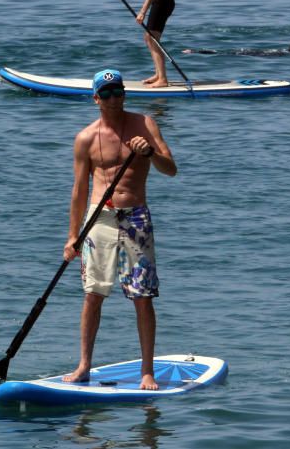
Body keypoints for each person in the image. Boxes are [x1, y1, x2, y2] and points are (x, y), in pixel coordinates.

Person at [62, 69, 177, 390]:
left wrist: (151, 153)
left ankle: (147, 372)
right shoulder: (86, 137)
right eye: (107, 94)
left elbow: (171, 170)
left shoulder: (145, 125)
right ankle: (84, 365)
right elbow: (79, 191)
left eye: (119, 92)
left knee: (142, 298)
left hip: (136, 218)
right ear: (96, 98)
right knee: (93, 295)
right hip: (99, 220)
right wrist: (73, 236)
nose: (115, 99)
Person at [182, 38, 290, 55]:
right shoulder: (289, 52)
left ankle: (194, 51)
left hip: (258, 53)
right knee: (225, 53)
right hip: (258, 53)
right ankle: (194, 51)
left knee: (224, 53)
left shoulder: (289, 53)